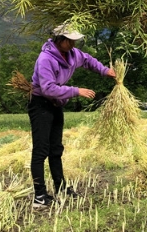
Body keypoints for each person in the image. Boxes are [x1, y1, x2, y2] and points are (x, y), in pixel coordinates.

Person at [28, 24, 116, 208]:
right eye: (70, 40)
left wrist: (105, 70)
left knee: (56, 149)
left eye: (74, 40)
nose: (73, 43)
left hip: (56, 104)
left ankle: (61, 187)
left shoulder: (73, 53)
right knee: (41, 150)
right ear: (59, 40)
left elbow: (88, 60)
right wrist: (76, 91)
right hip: (41, 105)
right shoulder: (45, 59)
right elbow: (48, 88)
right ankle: (39, 195)